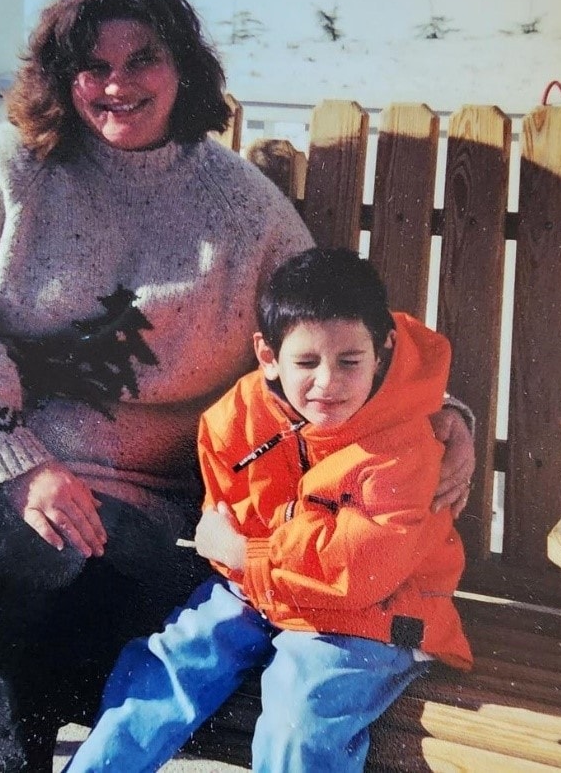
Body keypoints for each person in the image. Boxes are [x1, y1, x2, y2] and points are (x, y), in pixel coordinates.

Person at [0, 0, 475, 773]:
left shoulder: (244, 211)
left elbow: (328, 333)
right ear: (60, 75)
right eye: (92, 65)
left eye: (140, 59)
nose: (116, 85)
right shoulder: (7, 169)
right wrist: (14, 462)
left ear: (183, 66)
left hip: (114, 491)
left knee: (14, 627)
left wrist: (442, 416)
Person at [67, 248, 472, 772]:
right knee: (171, 663)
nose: (327, 383)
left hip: (371, 613)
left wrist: (242, 551)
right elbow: (226, 509)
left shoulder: (404, 447)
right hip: (257, 588)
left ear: (383, 349)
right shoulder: (238, 417)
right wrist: (234, 546)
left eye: (350, 361)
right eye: (306, 363)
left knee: (299, 711)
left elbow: (355, 572)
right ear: (268, 356)